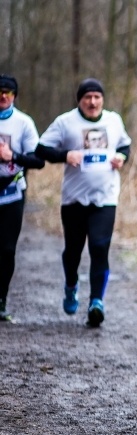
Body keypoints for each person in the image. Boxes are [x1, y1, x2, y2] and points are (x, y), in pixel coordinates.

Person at [36, 78, 131, 327]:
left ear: (102, 99)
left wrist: (121, 157)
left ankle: (96, 302)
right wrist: (65, 155)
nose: (92, 102)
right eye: (87, 97)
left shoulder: (113, 120)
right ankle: (71, 285)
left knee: (100, 247)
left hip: (106, 197)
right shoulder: (65, 122)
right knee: (73, 251)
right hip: (74, 198)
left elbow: (125, 145)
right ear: (80, 100)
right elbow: (41, 149)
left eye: (97, 97)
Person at [0, 74, 45, 322]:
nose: (3, 96)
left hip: (12, 193)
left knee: (6, 250)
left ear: (14, 96)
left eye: (8, 92)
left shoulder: (23, 123)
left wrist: (12, 156)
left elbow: (38, 160)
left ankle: (1, 298)